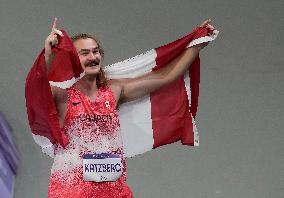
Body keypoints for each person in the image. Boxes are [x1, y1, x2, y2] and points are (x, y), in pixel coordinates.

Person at [43, 18, 215, 198]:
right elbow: (37, 89)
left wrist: (198, 44)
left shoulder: (114, 91)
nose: (93, 57)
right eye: (84, 53)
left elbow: (166, 77)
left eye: (95, 52)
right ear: (72, 59)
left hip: (115, 192)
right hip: (71, 193)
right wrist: (49, 56)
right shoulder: (62, 96)